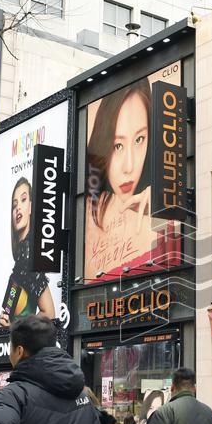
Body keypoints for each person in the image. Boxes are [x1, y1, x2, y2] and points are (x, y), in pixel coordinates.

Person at [84, 79, 159, 279]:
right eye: (118, 146)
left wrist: (164, 200)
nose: (129, 166)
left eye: (139, 140)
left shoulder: (156, 199)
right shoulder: (88, 209)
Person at [0, 178, 56, 327]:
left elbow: (48, 312)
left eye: (23, 200)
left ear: (31, 207)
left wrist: (17, 329)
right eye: (14, 205)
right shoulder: (22, 255)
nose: (17, 208)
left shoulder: (29, 254)